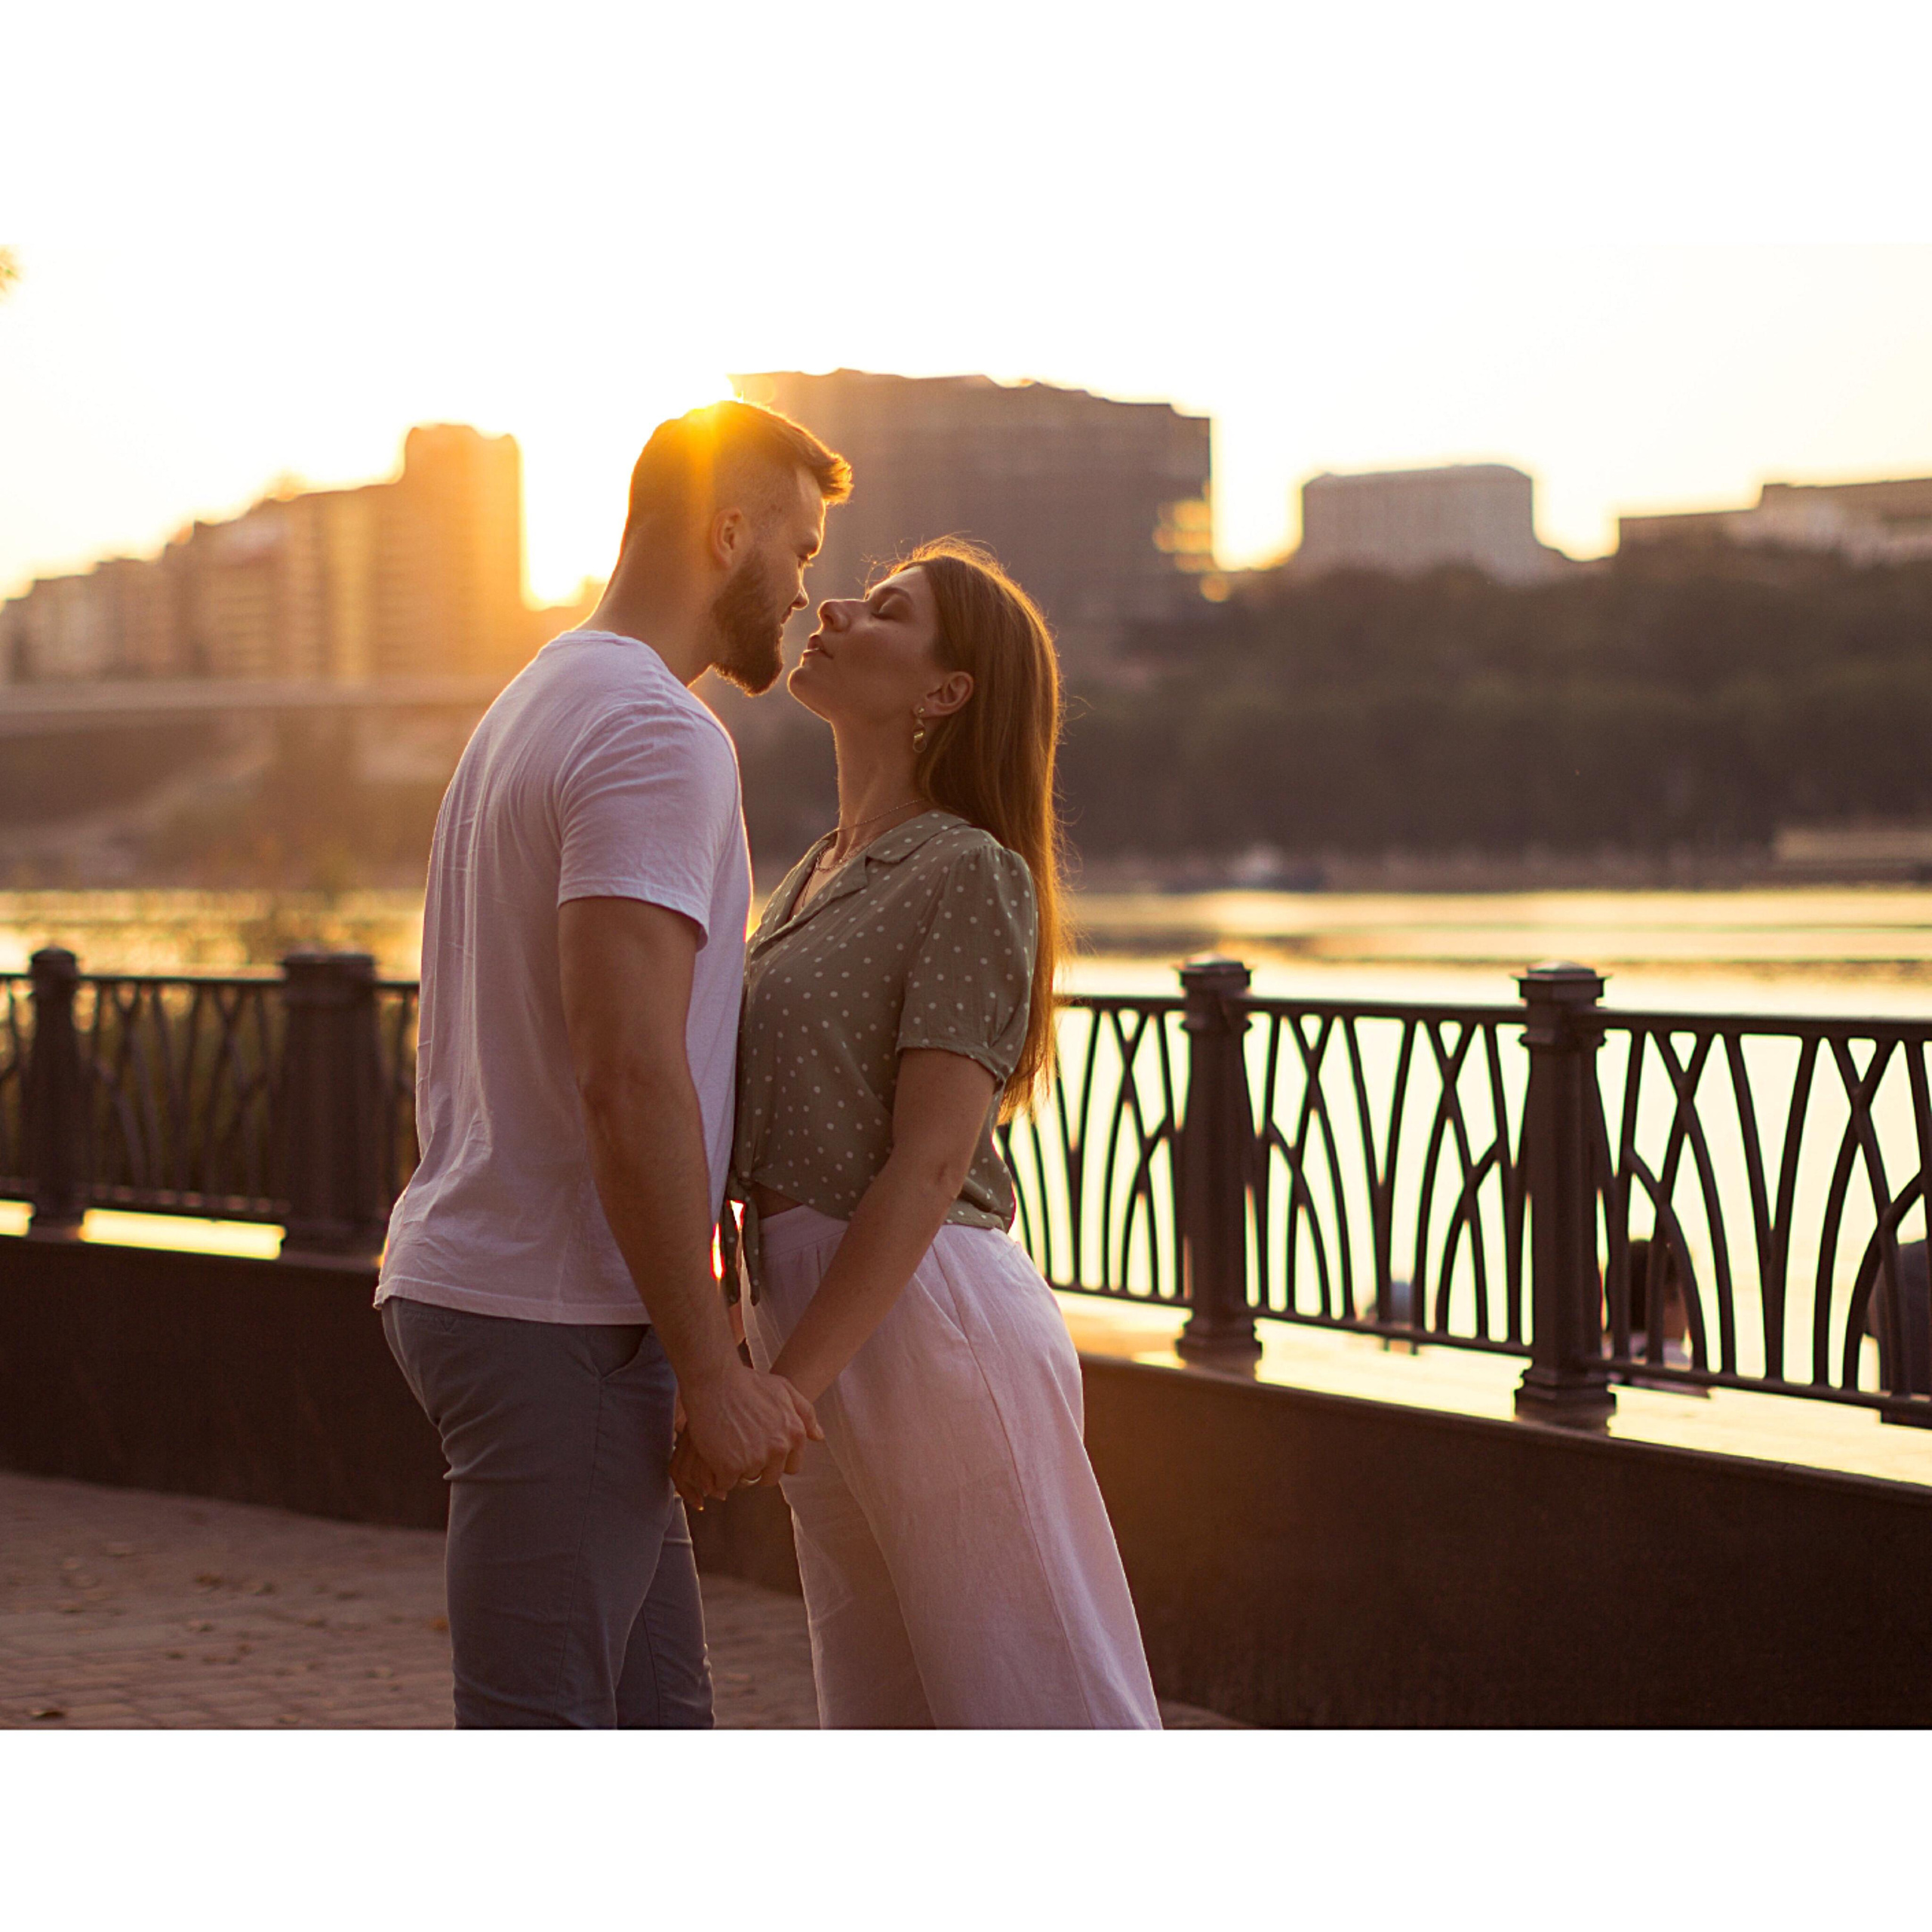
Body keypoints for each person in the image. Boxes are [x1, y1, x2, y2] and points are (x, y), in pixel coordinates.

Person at [376, 400, 848, 1727]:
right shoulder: (653, 732)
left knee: (657, 1722)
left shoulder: (539, 695)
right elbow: (627, 1070)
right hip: (559, 1318)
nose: (804, 593)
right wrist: (712, 1368)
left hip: (547, 1302)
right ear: (729, 533)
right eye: (800, 551)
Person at [678, 540, 1161, 1728]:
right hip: (816, 1313)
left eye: (889, 611)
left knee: (1038, 1706)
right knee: (880, 1706)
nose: (837, 606)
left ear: (946, 690)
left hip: (926, 1314)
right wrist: (743, 1350)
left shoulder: (969, 870)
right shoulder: (813, 873)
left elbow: (933, 1161)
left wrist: (782, 1387)